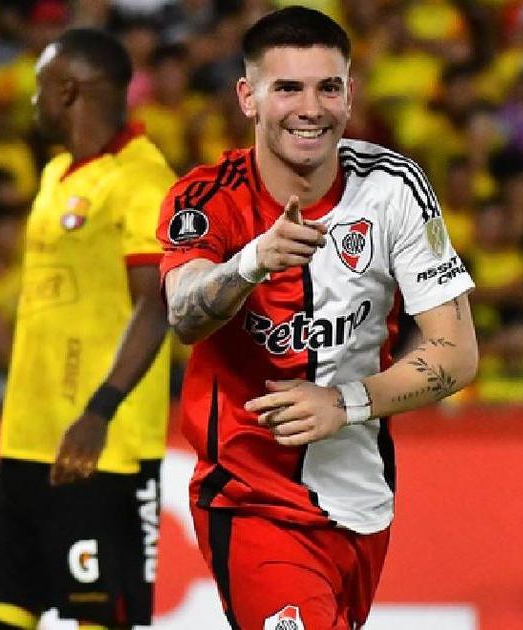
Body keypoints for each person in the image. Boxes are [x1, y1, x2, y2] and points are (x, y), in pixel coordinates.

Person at [156, 8, 478, 630]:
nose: (311, 108)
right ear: (248, 98)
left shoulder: (394, 188)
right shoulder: (206, 198)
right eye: (287, 88)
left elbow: (457, 353)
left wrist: (345, 402)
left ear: (350, 95)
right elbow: (184, 312)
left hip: (361, 499)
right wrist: (250, 263)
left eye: (328, 87)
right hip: (249, 496)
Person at [0, 28, 175, 630]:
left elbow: (158, 303)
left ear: (67, 91)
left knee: (100, 617)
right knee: (3, 610)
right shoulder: (56, 173)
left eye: (39, 89)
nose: (33, 102)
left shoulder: (143, 180)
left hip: (103, 450)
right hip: (27, 441)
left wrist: (99, 411)